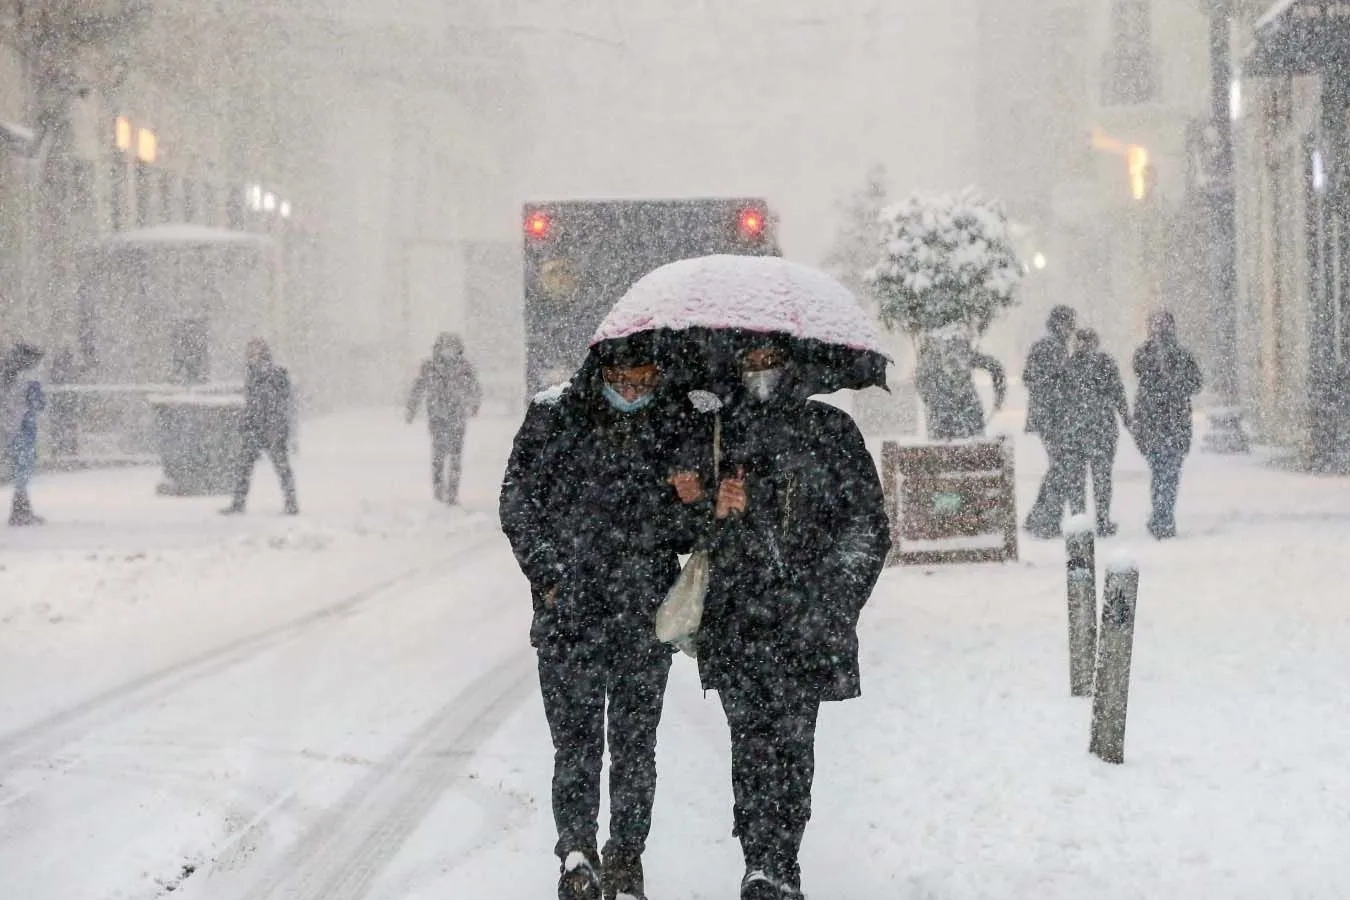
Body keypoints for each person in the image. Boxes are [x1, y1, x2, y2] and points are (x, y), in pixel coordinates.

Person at [669, 338, 891, 900]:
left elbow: (866, 527)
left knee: (793, 744)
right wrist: (710, 509)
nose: (760, 373)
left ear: (792, 365)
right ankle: (760, 861)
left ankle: (782, 857)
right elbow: (685, 533)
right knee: (750, 743)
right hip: (737, 621)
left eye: (770, 361)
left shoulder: (832, 432)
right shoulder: (716, 434)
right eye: (750, 362)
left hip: (804, 624)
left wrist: (830, 600)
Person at [499, 333, 693, 900]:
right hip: (570, 615)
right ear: (600, 373)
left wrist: (690, 500)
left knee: (636, 743)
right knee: (576, 743)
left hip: (643, 614)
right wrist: (551, 576)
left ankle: (626, 855)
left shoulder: (674, 422)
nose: (632, 392)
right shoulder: (552, 416)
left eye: (643, 383)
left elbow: (687, 533)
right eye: (621, 383)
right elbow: (516, 500)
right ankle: (577, 855)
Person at [1132, 311, 1203, 539]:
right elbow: (1143, 376)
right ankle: (1162, 517)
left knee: (1166, 473)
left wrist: (1175, 381)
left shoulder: (1180, 355)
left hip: (1171, 423)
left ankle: (1162, 517)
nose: (1160, 330)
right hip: (1158, 423)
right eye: (1156, 325)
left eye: (1163, 325)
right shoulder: (1145, 354)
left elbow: (1195, 383)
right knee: (1163, 472)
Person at [1060, 329, 1130, 536]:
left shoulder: (1069, 366)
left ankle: (1081, 520)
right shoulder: (1103, 364)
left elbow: (1059, 399)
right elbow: (1118, 392)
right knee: (1098, 478)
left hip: (1080, 431)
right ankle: (1099, 520)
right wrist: (1126, 416)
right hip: (1100, 429)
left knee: (1080, 479)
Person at [222, 339, 298, 516]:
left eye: (253, 352)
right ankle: (240, 504)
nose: (249, 355)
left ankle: (289, 503)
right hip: (257, 428)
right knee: (248, 467)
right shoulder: (254, 373)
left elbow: (274, 403)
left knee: (277, 467)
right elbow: (256, 403)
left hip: (269, 429)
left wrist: (272, 425)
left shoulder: (271, 374)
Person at [406, 332, 481, 504]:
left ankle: (452, 493)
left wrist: (474, 404)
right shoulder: (430, 367)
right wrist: (411, 408)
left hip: (456, 416)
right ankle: (439, 492)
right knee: (439, 454)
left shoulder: (464, 367)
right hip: (437, 416)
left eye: (452, 347)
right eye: (446, 347)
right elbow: (418, 387)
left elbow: (474, 387)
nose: (448, 351)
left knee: (455, 455)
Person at [1022, 305, 1077, 538]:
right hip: (1052, 417)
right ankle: (1047, 520)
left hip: (1049, 416)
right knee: (1062, 469)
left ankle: (1038, 516)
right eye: (1069, 323)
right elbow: (1035, 378)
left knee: (1058, 467)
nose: (1072, 329)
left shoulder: (1052, 345)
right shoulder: (1051, 347)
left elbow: (1030, 376)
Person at [914, 327, 1007, 440]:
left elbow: (920, 380)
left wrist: (931, 399)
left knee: (946, 446)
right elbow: (995, 367)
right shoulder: (963, 354)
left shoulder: (931, 360)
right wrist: (999, 396)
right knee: (972, 445)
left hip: (947, 413)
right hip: (963, 410)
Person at [3, 343, 47, 526]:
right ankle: (20, 509)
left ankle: (21, 508)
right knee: (23, 467)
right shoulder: (28, 379)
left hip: (9, 426)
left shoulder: (7, 375)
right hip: (22, 426)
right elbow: (38, 402)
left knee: (19, 466)